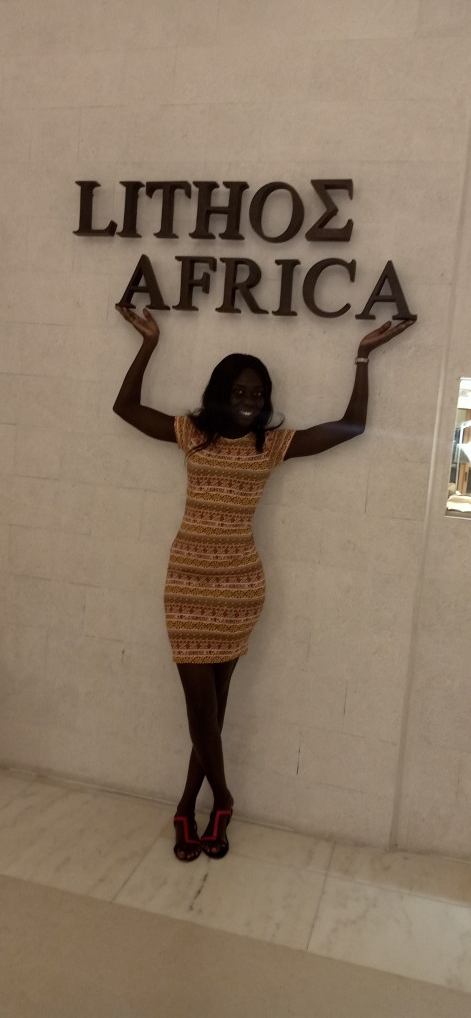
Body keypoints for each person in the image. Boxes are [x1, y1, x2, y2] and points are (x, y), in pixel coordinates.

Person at [113, 304, 414, 861]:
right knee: (200, 707)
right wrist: (149, 343)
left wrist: (363, 356)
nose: (249, 401)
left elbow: (351, 427)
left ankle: (188, 808)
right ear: (220, 393)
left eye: (258, 393)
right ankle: (222, 798)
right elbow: (125, 408)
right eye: (240, 391)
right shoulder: (191, 434)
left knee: (216, 705)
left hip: (239, 587)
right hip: (187, 584)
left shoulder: (270, 446)